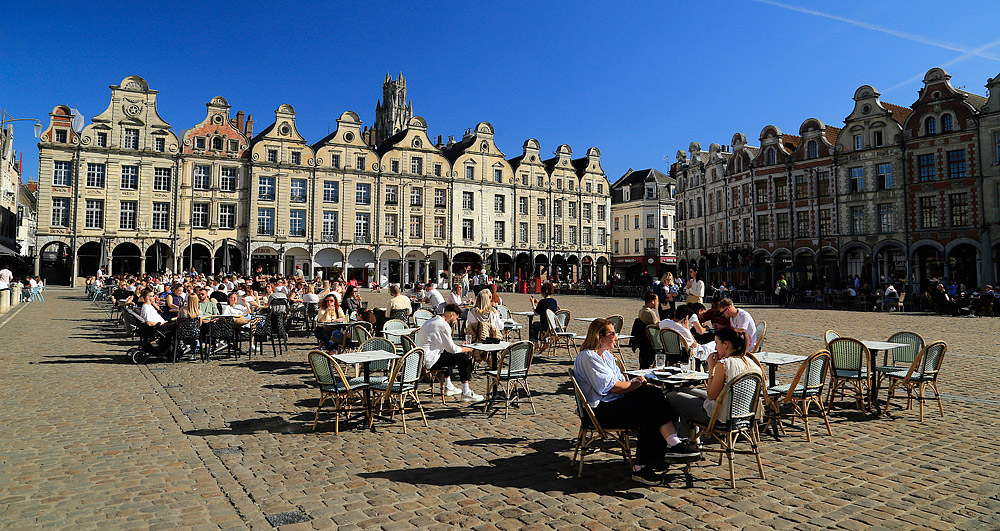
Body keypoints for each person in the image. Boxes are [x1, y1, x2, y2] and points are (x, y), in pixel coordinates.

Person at [574, 318, 701, 485]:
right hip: (600, 410)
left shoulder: (607, 356)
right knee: (649, 410)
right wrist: (635, 385)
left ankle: (666, 448)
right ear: (600, 337)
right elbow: (611, 387)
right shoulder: (588, 357)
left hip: (614, 402)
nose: (616, 337)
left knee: (653, 394)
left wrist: (639, 385)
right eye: (612, 334)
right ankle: (648, 462)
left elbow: (621, 383)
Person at [665, 327, 763, 442]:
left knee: (672, 397)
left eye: (717, 343)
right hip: (743, 414)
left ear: (725, 344)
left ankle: (675, 442)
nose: (716, 347)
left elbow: (711, 395)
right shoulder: (752, 364)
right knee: (685, 390)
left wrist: (711, 368)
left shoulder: (724, 364)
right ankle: (692, 440)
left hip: (720, 416)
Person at [415, 303, 484, 403]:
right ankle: (466, 392)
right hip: (430, 359)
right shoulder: (443, 325)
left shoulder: (432, 320)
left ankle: (448, 385)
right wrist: (467, 349)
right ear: (452, 315)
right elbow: (452, 349)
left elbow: (448, 347)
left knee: (449, 354)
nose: (455, 321)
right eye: (456, 318)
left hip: (422, 356)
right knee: (463, 358)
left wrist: (459, 347)